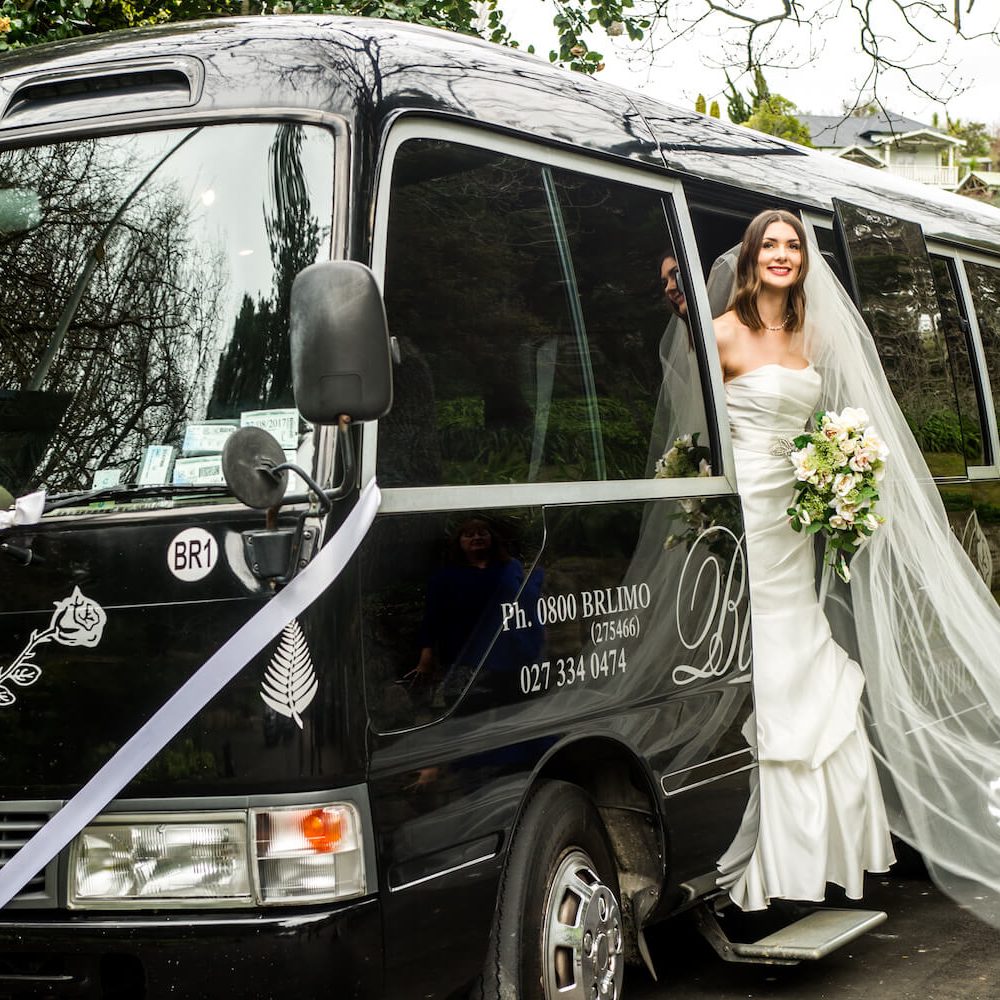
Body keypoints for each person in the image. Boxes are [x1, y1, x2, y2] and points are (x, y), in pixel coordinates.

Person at [712, 209, 895, 910]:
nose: (782, 256)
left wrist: (840, 468)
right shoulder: (722, 333)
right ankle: (771, 858)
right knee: (772, 658)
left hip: (797, 522)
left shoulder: (814, 333)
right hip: (748, 517)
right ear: (751, 258)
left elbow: (835, 422)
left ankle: (819, 857)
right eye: (771, 246)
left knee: (805, 650)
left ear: (803, 260)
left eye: (793, 246)